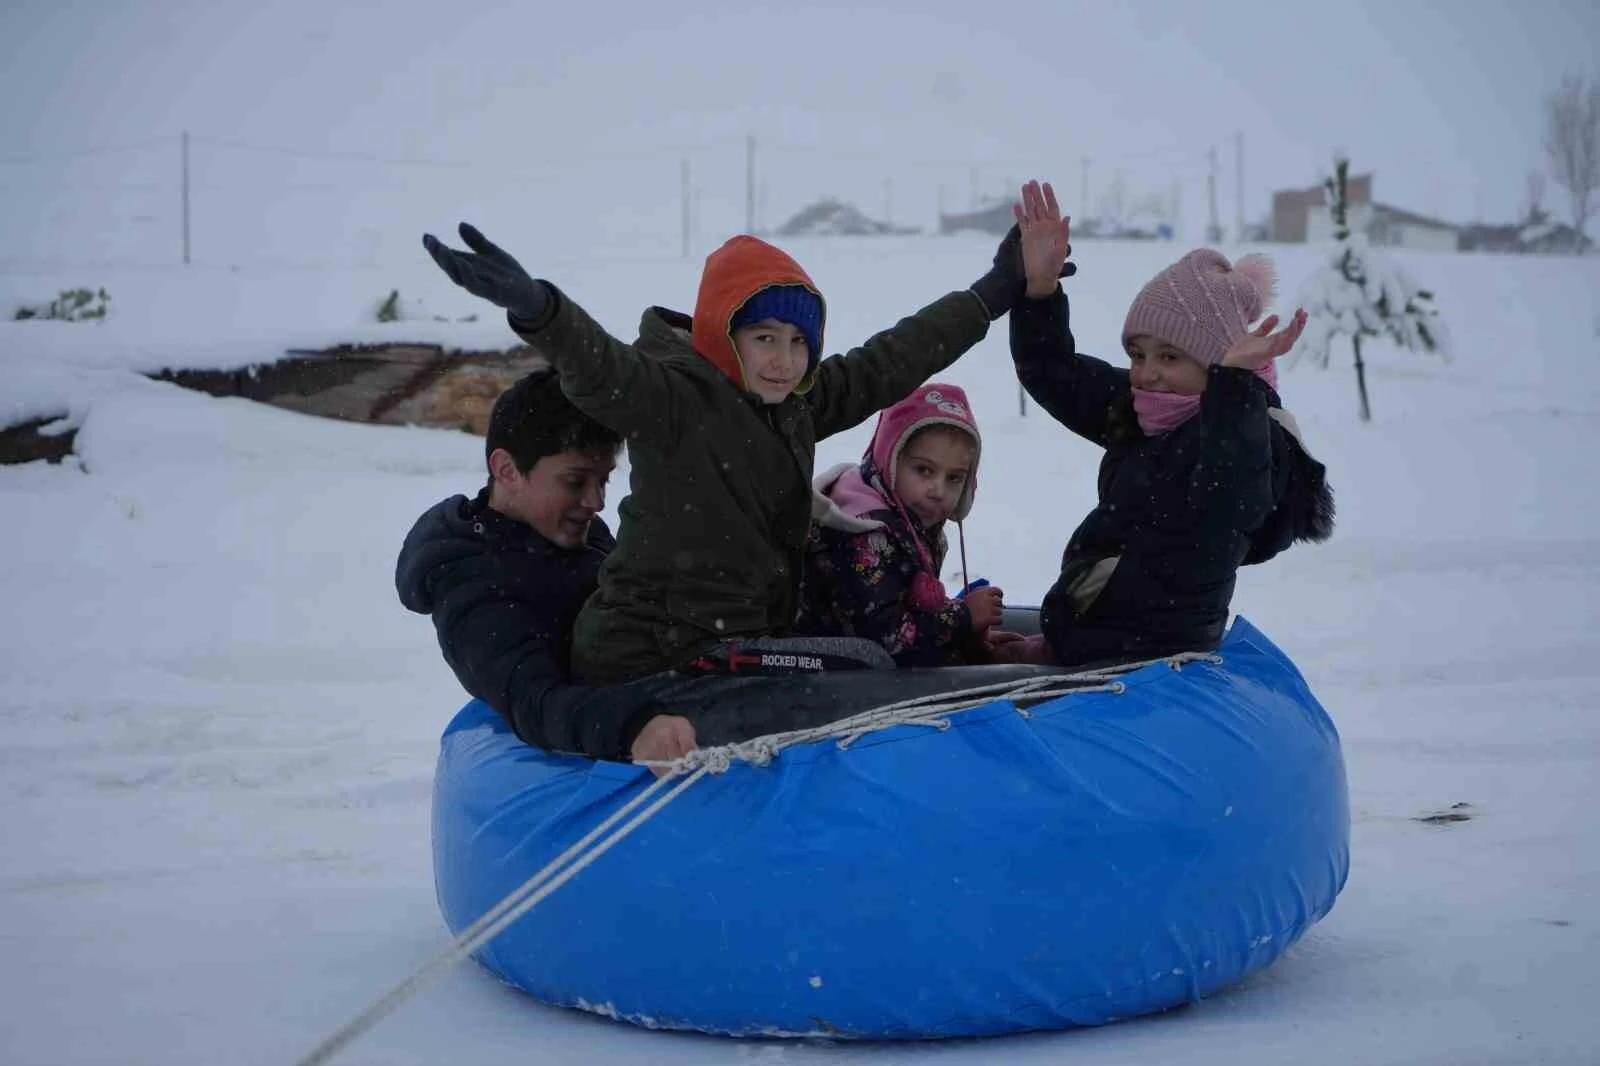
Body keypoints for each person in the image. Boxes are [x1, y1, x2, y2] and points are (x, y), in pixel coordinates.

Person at [421, 181, 1059, 689]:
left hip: (737, 637)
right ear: (723, 336)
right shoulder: (673, 401)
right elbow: (600, 368)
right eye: (764, 340)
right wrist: (541, 310)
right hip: (663, 652)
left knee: (862, 653)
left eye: (797, 343)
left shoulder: (796, 404)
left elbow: (892, 358)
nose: (783, 361)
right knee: (869, 667)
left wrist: (992, 293)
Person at [1004, 182, 1334, 667]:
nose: (1147, 372)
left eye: (1170, 356)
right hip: (1096, 635)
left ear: (1217, 363)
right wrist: (1040, 292)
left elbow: (1230, 497)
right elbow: (1053, 371)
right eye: (1137, 354)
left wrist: (1235, 385)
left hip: (1155, 657)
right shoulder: (1145, 410)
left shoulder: (1249, 434)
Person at [394, 369, 695, 766]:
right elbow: (535, 701)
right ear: (507, 470)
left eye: (603, 481)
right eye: (575, 481)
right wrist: (634, 726)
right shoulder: (472, 581)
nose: (596, 502)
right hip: (573, 759)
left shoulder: (575, 532)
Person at [795, 382, 1008, 666]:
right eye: (924, 470)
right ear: (890, 460)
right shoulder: (864, 532)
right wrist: (962, 618)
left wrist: (963, 637)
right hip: (829, 677)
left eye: (954, 478)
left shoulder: (911, 516)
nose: (938, 490)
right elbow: (885, 638)